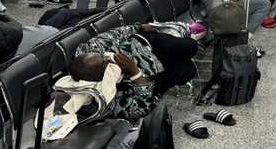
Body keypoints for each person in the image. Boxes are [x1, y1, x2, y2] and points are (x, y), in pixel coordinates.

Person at [69, 23, 199, 121]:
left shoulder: (92, 48)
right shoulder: (103, 99)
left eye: (104, 57)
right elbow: (141, 107)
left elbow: (117, 33)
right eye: (105, 63)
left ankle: (182, 31)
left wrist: (139, 27)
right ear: (99, 78)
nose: (109, 58)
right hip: (155, 77)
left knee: (191, 46)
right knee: (188, 70)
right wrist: (134, 72)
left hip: (148, 45)